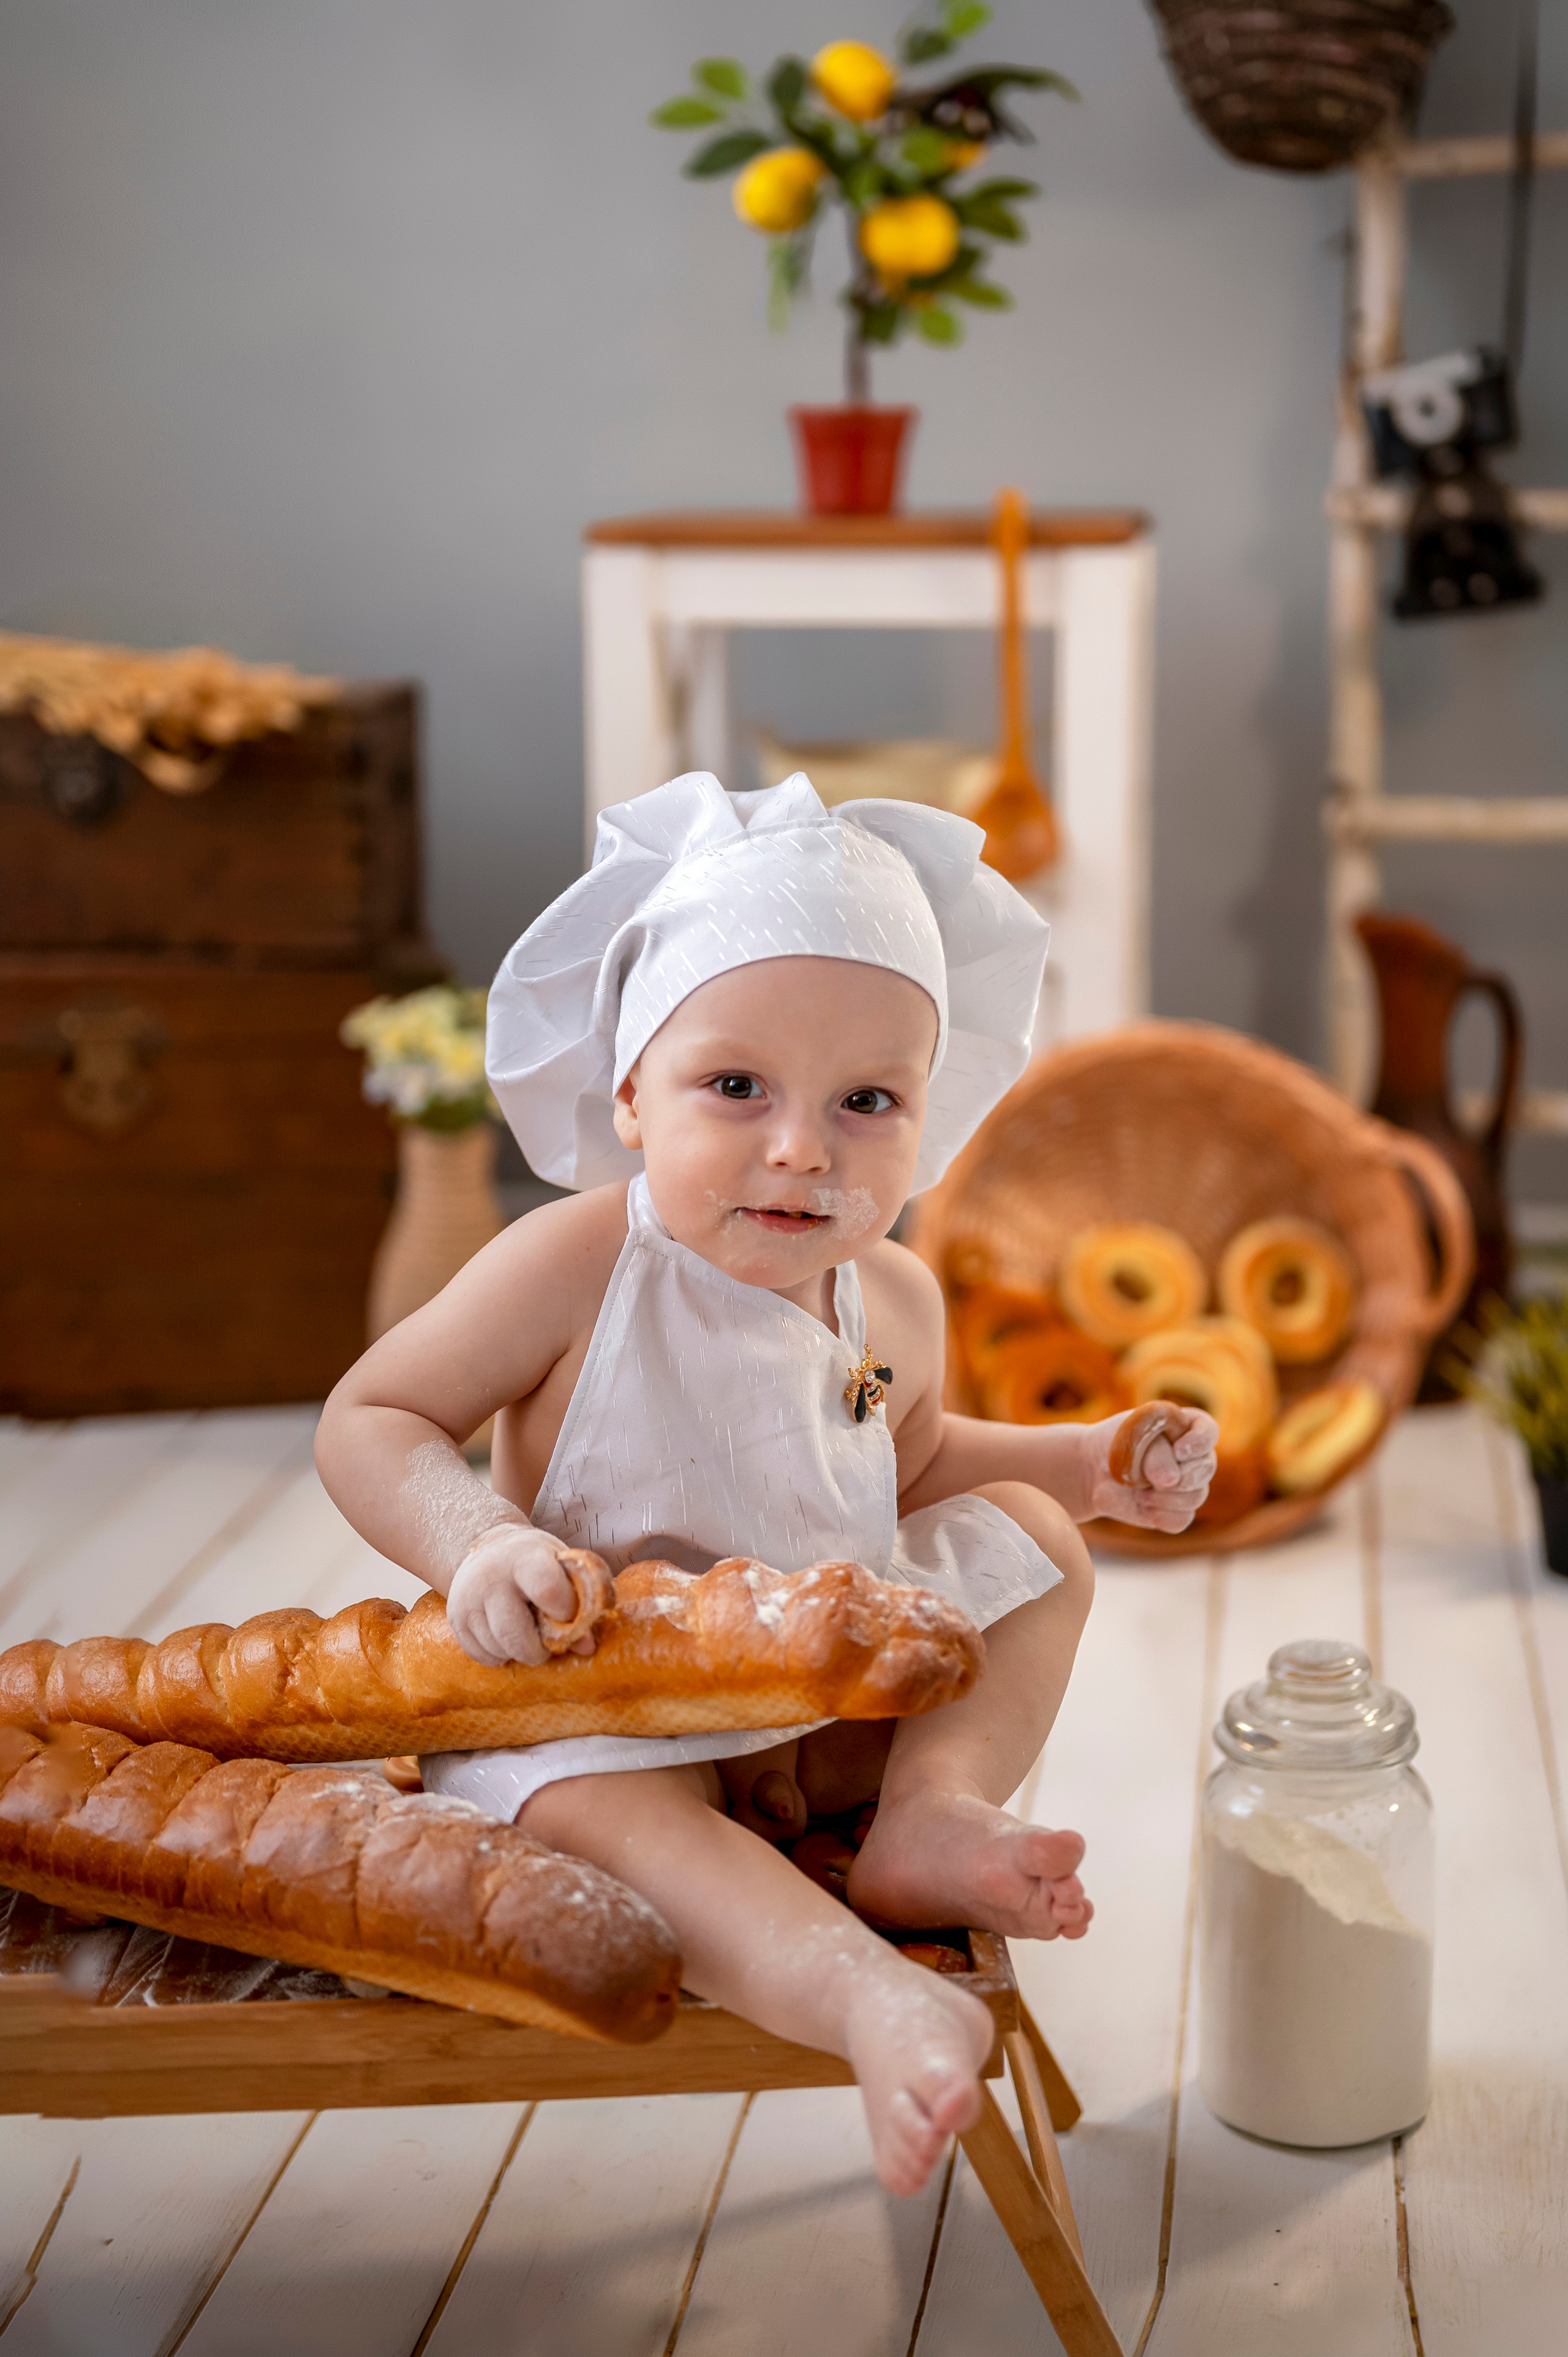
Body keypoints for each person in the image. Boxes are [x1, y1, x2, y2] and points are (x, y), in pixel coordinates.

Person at [316, 773, 1217, 2196]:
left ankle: (929, 1809)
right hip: (599, 1706)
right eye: (735, 1086)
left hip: (818, 1705)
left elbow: (902, 1466)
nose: (802, 1147)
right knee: (602, 1816)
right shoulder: (575, 1264)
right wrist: (475, 1542)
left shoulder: (894, 1298)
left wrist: (1074, 1463)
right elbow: (371, 1413)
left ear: (930, 1118)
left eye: (866, 1100)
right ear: (627, 1090)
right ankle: (856, 1991)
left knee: (1032, 1542)